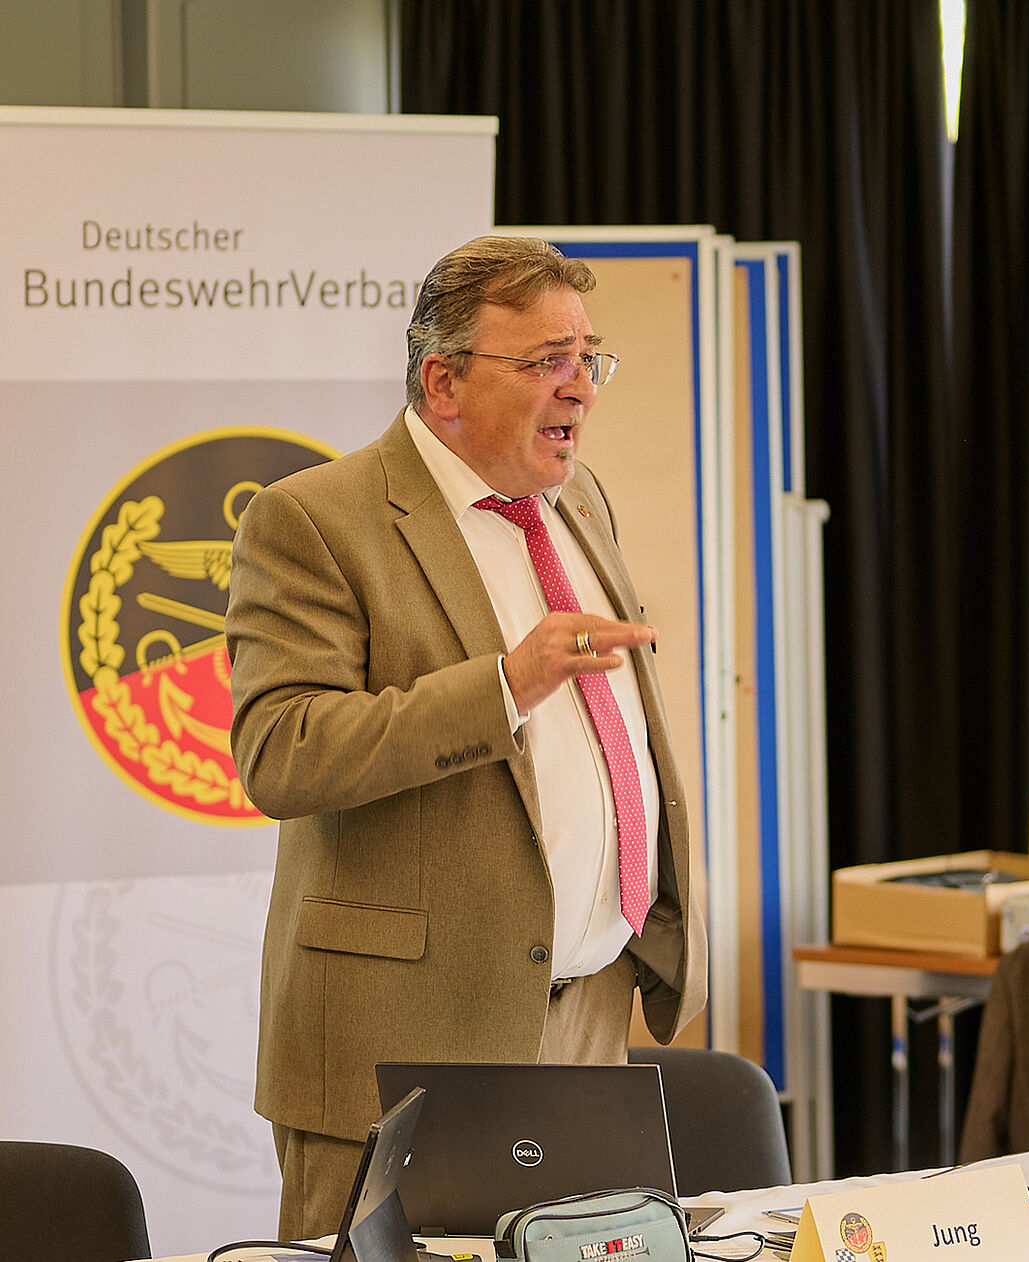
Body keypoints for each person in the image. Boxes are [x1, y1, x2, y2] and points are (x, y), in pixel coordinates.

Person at [226, 236, 706, 1238]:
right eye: (546, 362)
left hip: (586, 1015)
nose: (580, 388)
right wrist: (504, 685)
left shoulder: (579, 497)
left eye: (589, 358)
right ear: (443, 382)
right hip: (401, 1043)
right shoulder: (316, 519)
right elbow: (282, 749)